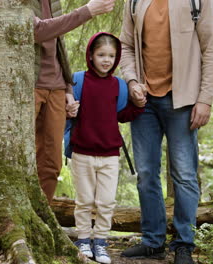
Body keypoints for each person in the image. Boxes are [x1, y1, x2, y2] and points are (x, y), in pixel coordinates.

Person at [0, 0, 116, 203]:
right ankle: (13, 214)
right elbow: (36, 31)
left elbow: (58, 42)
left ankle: (39, 217)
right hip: (28, 84)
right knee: (17, 159)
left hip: (56, 88)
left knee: (51, 163)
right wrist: (88, 11)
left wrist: (68, 88)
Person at [118, 0, 213, 263]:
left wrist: (205, 99)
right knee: (146, 174)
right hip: (144, 102)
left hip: (184, 100)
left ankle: (184, 244)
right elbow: (127, 47)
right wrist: (131, 81)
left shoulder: (197, 1)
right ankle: (153, 242)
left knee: (185, 176)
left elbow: (211, 49)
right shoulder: (134, 2)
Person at [67, 32, 143, 264]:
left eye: (111, 55)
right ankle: (82, 239)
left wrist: (139, 106)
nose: (106, 60)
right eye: (101, 55)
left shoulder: (118, 86)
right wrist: (67, 110)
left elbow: (121, 115)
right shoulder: (78, 81)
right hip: (82, 153)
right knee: (84, 201)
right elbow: (67, 113)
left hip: (110, 155)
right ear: (91, 55)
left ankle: (100, 242)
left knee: (106, 202)